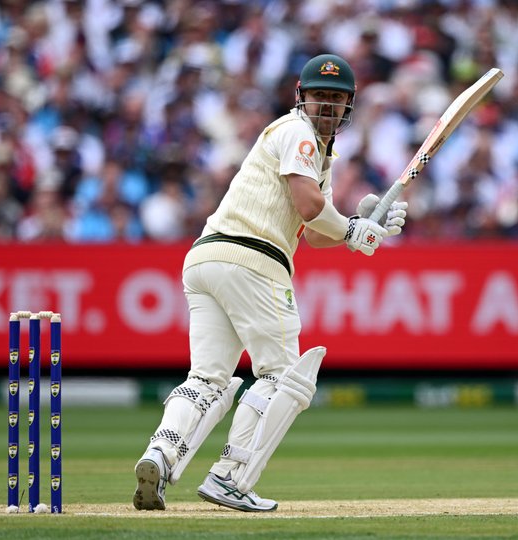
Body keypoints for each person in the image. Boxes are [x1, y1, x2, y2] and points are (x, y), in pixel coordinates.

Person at [132, 53, 408, 512]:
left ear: (348, 107)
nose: (326, 106)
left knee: (209, 380)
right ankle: (231, 477)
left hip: (207, 256)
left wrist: (362, 225)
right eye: (319, 96)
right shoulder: (297, 132)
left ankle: (159, 456)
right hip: (254, 261)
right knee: (284, 377)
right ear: (301, 98)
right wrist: (352, 230)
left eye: (336, 99)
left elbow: (317, 231)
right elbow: (309, 207)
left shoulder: (317, 153)